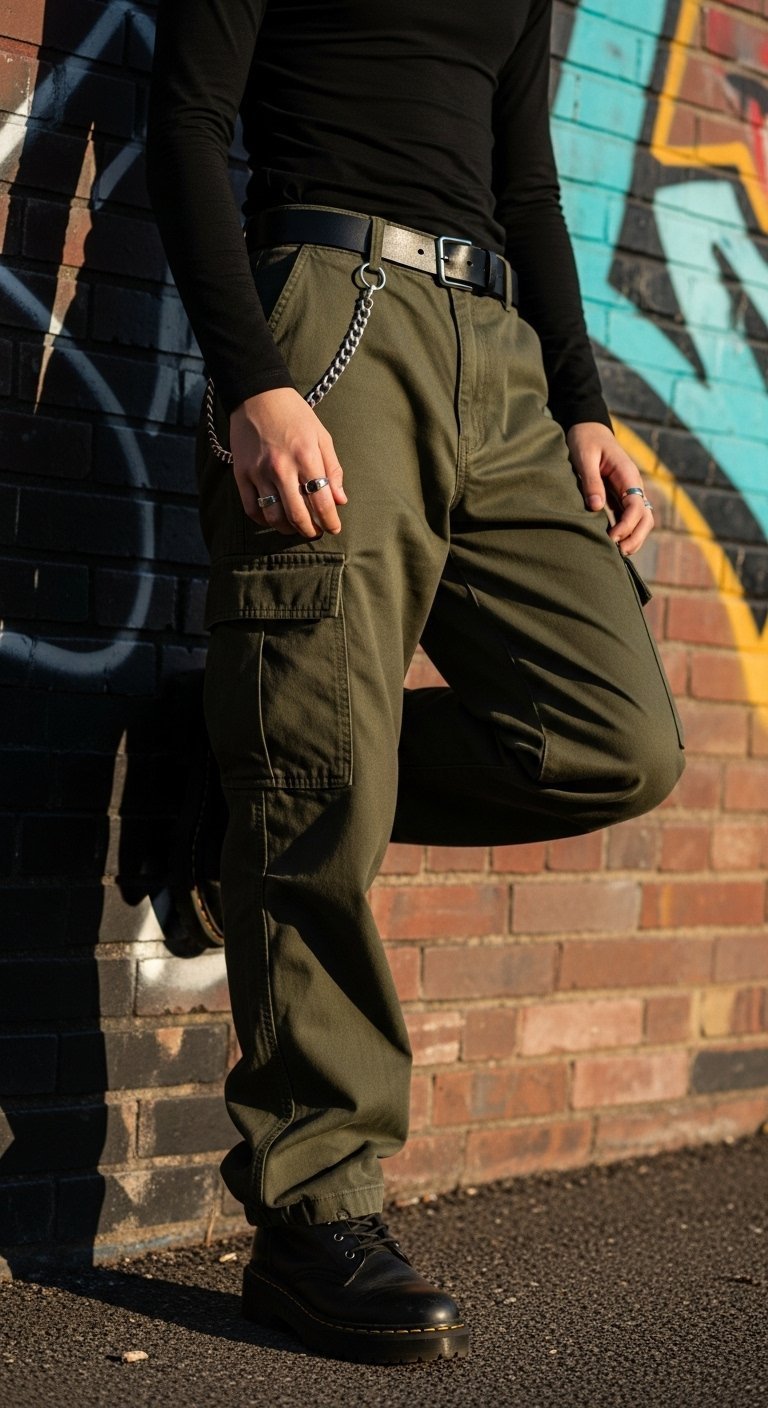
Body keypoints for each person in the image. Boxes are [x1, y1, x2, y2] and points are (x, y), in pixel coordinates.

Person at [146, 0, 685, 1365]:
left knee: (614, 737)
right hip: (337, 314)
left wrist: (580, 398)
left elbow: (528, 184)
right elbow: (188, 120)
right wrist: (252, 374)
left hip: (494, 356)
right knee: (318, 766)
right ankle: (315, 1208)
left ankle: (233, 767)